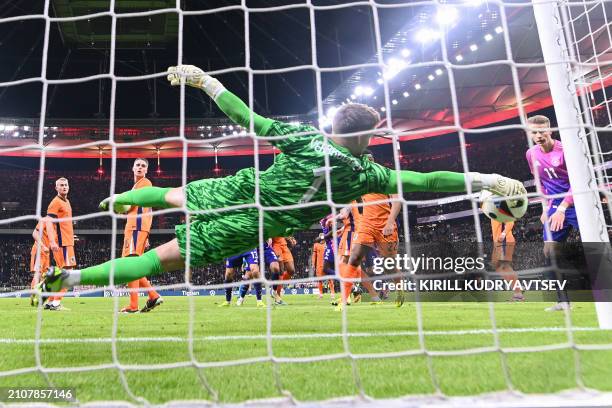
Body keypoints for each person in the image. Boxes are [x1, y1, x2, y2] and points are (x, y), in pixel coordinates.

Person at [36, 64, 526, 298]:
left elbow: (250, 119)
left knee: (169, 194)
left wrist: (208, 82)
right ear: (368, 136)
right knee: (156, 260)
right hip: (249, 224)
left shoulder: (307, 137)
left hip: (238, 190)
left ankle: (120, 197)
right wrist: (486, 177)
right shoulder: (367, 174)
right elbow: (426, 179)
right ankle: (73, 279)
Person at [525, 115, 575, 311]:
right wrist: (546, 208)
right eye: (533, 132)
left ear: (550, 130)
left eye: (541, 131)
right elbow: (540, 183)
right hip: (554, 206)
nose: (538, 135)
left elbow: (577, 182)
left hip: (577, 202)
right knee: (549, 252)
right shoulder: (531, 154)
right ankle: (563, 302)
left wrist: (563, 208)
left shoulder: (565, 150)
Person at [120, 158, 163, 313]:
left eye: (143, 166)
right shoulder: (136, 186)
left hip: (136, 228)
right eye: (137, 165)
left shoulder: (145, 183)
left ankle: (134, 305)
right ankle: (153, 295)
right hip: (136, 229)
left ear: (146, 170)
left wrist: (118, 201)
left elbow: (132, 203)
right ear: (132, 168)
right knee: (131, 266)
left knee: (130, 266)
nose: (140, 167)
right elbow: (147, 210)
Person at [44, 177, 76, 311]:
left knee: (61, 273)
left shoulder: (66, 201)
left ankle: (51, 301)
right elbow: (49, 223)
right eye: (61, 185)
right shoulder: (55, 202)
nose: (64, 187)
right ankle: (56, 303)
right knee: (69, 273)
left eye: (66, 185)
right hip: (62, 243)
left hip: (67, 241)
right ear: (56, 188)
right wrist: (52, 241)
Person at [29, 217, 51, 306]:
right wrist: (42, 246)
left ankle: (42, 298)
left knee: (44, 276)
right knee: (37, 274)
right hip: (39, 250)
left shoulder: (54, 225)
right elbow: (34, 233)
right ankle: (33, 297)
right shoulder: (45, 220)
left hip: (46, 252)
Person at [312, 233, 335, 302]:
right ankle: (321, 294)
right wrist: (313, 264)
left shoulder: (329, 244)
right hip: (319, 265)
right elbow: (314, 255)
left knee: (330, 279)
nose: (322, 239)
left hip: (328, 264)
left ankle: (332, 294)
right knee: (320, 280)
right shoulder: (316, 245)